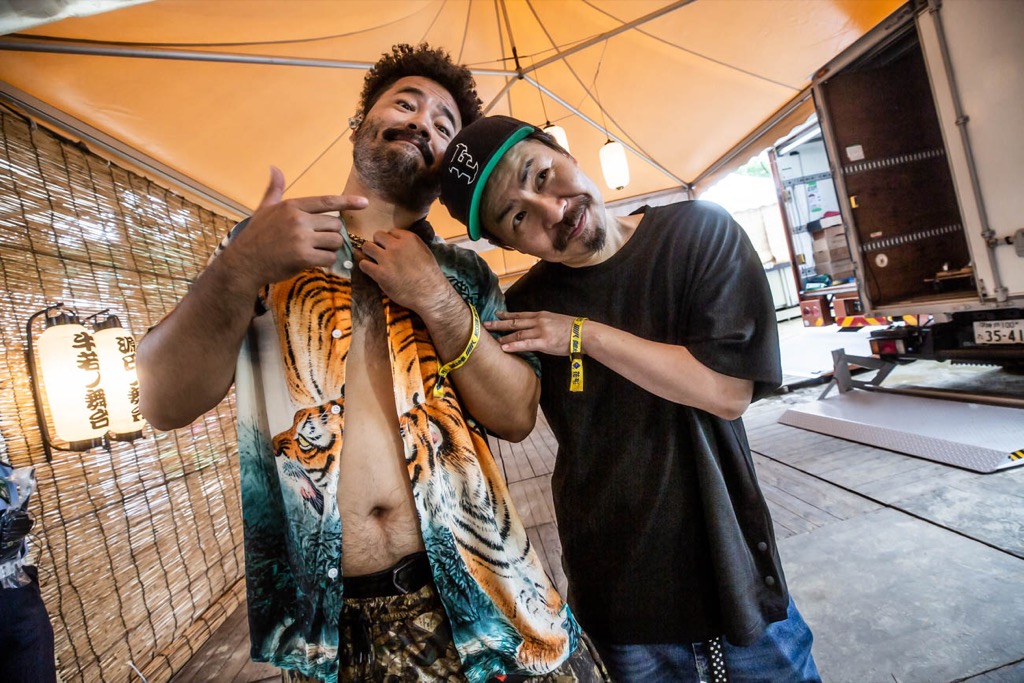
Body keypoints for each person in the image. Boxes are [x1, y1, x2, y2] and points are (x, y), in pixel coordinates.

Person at [138, 47, 607, 683]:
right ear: (358, 126)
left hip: (485, 599)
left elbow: (518, 415)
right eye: (405, 105)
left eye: (443, 126)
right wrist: (239, 267)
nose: (422, 123)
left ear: (446, 172)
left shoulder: (466, 275)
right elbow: (163, 403)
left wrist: (437, 298)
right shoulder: (266, 248)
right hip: (331, 632)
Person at [439, 115, 822, 683]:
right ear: (507, 245)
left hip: (733, 580)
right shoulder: (523, 308)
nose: (551, 210)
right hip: (617, 604)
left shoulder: (697, 232)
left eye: (541, 175)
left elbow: (726, 391)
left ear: (564, 153)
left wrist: (581, 335)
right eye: (517, 217)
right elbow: (509, 419)